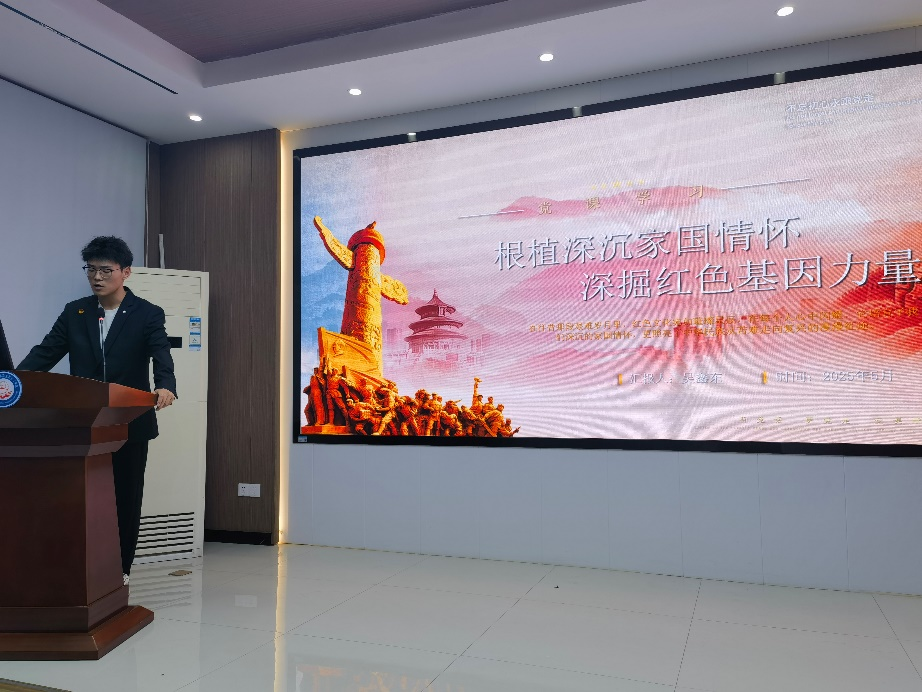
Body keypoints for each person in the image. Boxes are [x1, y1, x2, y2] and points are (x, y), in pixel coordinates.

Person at [17, 236, 176, 586]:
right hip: (83, 422)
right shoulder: (76, 312)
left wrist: (166, 385)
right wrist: (13, 382)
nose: (97, 277)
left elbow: (160, 353)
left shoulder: (147, 313)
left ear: (126, 272)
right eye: (91, 270)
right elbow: (45, 352)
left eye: (106, 270)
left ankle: (121, 570)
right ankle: (82, 568)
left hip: (129, 422)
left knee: (125, 498)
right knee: (82, 498)